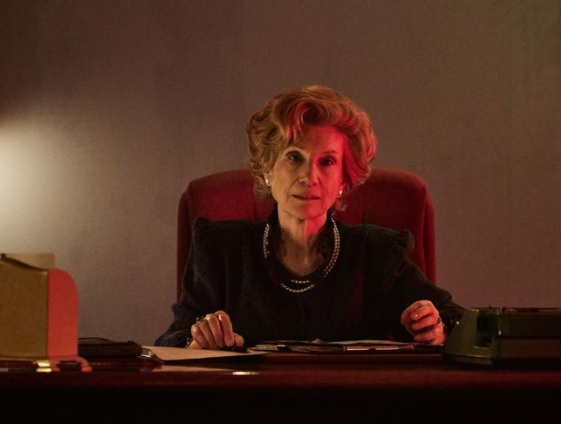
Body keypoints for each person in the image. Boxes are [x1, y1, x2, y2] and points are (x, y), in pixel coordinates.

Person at [155, 86, 462, 349]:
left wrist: (436, 328)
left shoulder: (377, 252)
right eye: (293, 157)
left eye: (326, 161)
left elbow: (455, 318)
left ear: (343, 178)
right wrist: (196, 342)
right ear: (266, 169)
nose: (308, 176)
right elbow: (172, 339)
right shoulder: (220, 248)